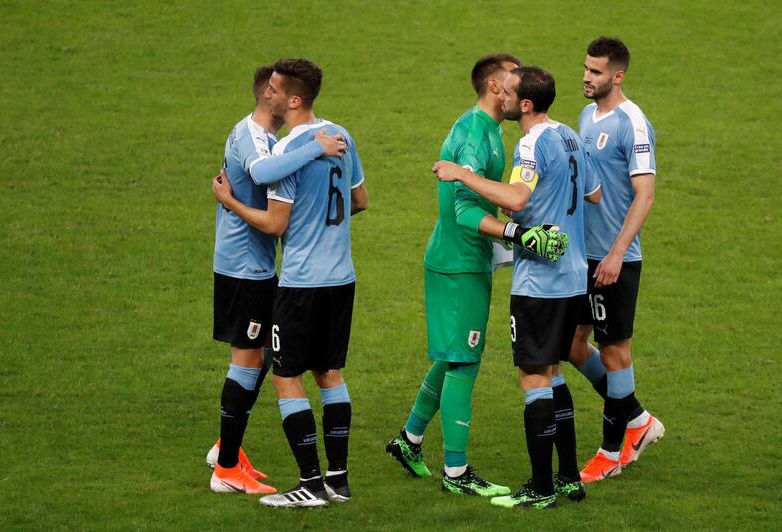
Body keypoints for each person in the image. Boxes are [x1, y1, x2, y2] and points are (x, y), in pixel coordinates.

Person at [385, 54, 570, 498]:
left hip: (466, 258)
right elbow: (464, 208)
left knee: (452, 354)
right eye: (514, 78)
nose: (520, 85)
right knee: (464, 361)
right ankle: (456, 471)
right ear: (494, 85)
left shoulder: (488, 131)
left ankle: (409, 440)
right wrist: (518, 233)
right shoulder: (474, 134)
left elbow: (479, 198)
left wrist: (503, 211)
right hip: (459, 261)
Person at [434, 65, 601, 509]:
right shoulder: (568, 135)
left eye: (510, 95)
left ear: (525, 104)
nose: (502, 99)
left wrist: (461, 174)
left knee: (533, 379)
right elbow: (595, 194)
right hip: (573, 274)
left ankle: (541, 487)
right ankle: (568, 477)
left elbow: (517, 199)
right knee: (555, 373)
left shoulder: (530, 143)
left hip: (539, 282)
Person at [212, 58, 368, 508]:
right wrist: (322, 220)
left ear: (293, 99)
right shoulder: (342, 135)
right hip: (343, 277)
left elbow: (275, 223)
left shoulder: (284, 153)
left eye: (275, 89)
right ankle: (338, 481)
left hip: (301, 283)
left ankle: (309, 485)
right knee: (330, 373)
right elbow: (360, 199)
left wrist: (229, 201)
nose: (267, 93)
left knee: (285, 377)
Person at [569, 36, 664, 483]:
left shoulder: (634, 123)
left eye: (596, 72)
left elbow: (644, 194)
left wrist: (617, 253)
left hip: (614, 258)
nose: (587, 77)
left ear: (618, 75)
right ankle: (638, 421)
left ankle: (612, 452)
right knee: (571, 345)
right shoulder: (588, 115)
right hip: (582, 255)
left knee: (614, 352)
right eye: (586, 69)